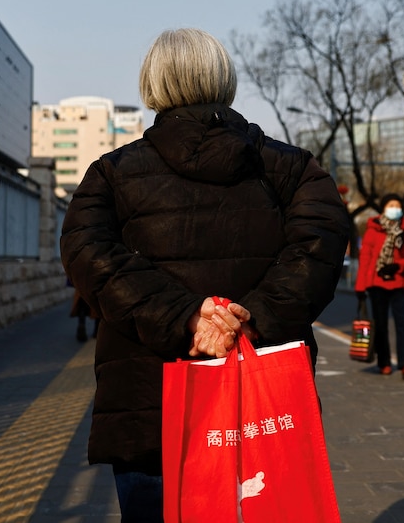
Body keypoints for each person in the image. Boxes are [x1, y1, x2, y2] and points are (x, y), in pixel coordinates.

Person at [60, 28, 351, 521]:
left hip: (151, 409)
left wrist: (187, 319)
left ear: (152, 85)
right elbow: (319, 248)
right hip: (262, 409)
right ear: (225, 80)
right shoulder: (293, 169)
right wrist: (251, 318)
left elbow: (87, 253)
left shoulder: (111, 173)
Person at [354, 193, 404, 379]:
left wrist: (399, 265)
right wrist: (360, 287)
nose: (395, 209)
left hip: (400, 282)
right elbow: (365, 258)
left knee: (403, 324)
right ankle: (384, 362)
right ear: (383, 208)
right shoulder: (372, 230)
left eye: (398, 206)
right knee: (380, 324)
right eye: (391, 205)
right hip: (377, 283)